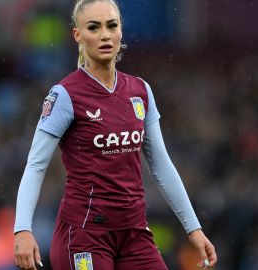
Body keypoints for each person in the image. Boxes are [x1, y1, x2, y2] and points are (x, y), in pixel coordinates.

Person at [13, 0, 217, 269]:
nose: (105, 35)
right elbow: (36, 166)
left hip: (134, 234)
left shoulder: (140, 91)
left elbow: (161, 164)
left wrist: (193, 228)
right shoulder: (65, 95)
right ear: (78, 35)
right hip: (85, 235)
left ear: (121, 30)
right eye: (93, 28)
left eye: (111, 26)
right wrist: (22, 229)